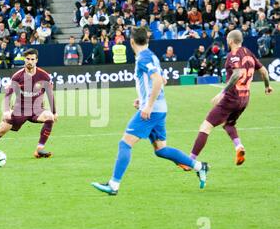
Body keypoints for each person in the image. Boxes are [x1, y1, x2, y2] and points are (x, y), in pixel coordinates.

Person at [91, 27, 209, 195]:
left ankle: (114, 185)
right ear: (147, 41)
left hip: (153, 111)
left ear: (131, 42)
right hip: (160, 109)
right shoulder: (152, 55)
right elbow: (163, 80)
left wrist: (148, 105)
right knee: (160, 149)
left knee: (124, 144)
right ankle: (199, 166)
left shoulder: (143, 58)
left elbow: (158, 81)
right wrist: (144, 100)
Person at [189, 30, 273, 169]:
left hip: (231, 98)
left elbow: (238, 73)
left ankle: (189, 161)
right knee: (229, 124)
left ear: (231, 41)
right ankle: (239, 146)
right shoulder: (248, 52)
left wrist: (222, 92)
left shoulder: (233, 55)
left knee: (205, 127)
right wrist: (267, 86)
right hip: (244, 99)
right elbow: (264, 71)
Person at [0, 48, 57, 160]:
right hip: (20, 110)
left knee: (49, 116)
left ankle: (39, 150)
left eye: (32, 59)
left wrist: (54, 112)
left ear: (36, 60)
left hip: (37, 110)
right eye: (27, 59)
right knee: (1, 130)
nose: (29, 61)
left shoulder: (44, 76)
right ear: (24, 59)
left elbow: (50, 93)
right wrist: (6, 111)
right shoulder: (17, 76)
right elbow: (8, 95)